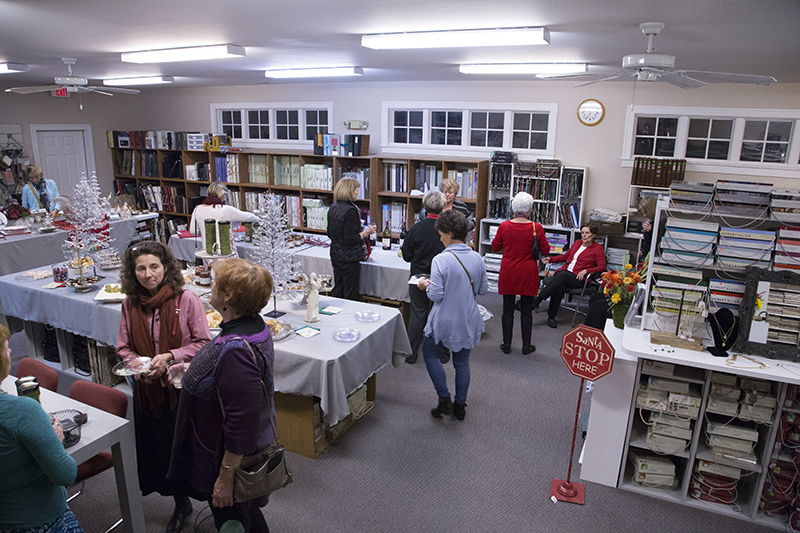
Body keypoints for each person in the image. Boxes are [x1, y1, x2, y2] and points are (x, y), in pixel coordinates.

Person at [168, 258, 275, 532]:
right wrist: (194, 369)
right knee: (242, 511)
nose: (210, 285)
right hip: (222, 447)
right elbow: (230, 378)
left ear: (228, 296)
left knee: (235, 516)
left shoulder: (236, 350)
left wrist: (226, 477)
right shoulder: (251, 326)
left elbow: (241, 421)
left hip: (224, 454)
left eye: (216, 282)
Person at [117, 241, 211, 533]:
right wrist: (141, 366)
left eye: (154, 266)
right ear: (133, 273)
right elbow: (123, 348)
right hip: (149, 395)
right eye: (141, 268)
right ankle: (180, 503)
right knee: (161, 451)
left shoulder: (187, 300)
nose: (148, 274)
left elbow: (204, 344)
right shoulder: (129, 304)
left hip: (182, 394)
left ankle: (212, 503)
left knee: (188, 451)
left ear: (167, 267)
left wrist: (171, 356)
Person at [0, 324, 84, 533]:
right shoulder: (22, 410)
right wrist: (57, 440)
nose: (11, 351)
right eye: (6, 347)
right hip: (39, 521)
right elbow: (66, 474)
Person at [417, 210, 488, 421]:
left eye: (441, 234)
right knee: (462, 363)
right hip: (467, 317)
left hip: (444, 318)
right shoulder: (477, 257)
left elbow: (436, 295)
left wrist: (424, 286)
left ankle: (444, 398)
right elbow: (482, 290)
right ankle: (460, 406)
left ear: (449, 233)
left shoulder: (441, 260)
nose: (440, 238)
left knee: (430, 354)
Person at [491, 192, 550, 355]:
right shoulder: (536, 227)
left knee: (507, 308)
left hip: (509, 270)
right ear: (530, 209)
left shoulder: (504, 226)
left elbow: (495, 246)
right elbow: (546, 250)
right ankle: (526, 345)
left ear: (513, 208)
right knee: (526, 310)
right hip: (528, 272)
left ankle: (507, 344)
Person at [401, 191, 446, 364]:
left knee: (417, 314)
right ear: (442, 208)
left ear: (424, 208)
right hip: (439, 279)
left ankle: (411, 354)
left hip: (418, 278)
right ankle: (442, 354)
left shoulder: (416, 229)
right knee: (440, 315)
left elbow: (406, 256)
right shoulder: (446, 230)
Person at [536, 222, 606, 329]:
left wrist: (586, 271)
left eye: (587, 233)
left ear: (594, 235)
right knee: (560, 284)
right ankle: (551, 317)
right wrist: (551, 259)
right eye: (582, 233)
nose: (584, 235)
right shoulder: (577, 243)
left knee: (562, 276)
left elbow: (601, 266)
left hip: (579, 278)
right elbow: (565, 256)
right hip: (564, 274)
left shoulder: (598, 248)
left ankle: (538, 300)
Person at [326, 178, 376, 301]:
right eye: (356, 190)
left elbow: (329, 233)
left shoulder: (333, 207)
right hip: (349, 257)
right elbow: (350, 239)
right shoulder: (351, 211)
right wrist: (366, 232)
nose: (358, 193)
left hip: (335, 254)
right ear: (349, 192)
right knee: (350, 292)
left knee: (338, 288)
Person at [189, 182, 258, 257]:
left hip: (207, 254)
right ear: (223, 195)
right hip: (224, 253)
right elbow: (249, 217)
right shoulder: (224, 209)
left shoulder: (197, 209)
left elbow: (193, 231)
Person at [637, 196, 657, 264]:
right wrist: (643, 250)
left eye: (646, 212)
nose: (644, 215)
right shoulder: (650, 221)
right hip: (646, 254)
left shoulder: (657, 223)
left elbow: (655, 242)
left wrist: (649, 231)